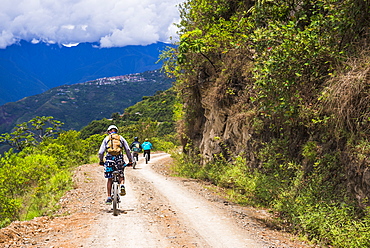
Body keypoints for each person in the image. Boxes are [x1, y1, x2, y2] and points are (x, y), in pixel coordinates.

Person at [98, 125, 133, 204]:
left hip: (109, 160)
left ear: (108, 131)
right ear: (116, 131)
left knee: (109, 179)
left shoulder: (106, 139)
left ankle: (109, 197)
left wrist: (101, 160)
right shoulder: (121, 138)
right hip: (119, 160)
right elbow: (127, 149)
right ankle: (122, 185)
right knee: (121, 175)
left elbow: (101, 152)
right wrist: (130, 161)